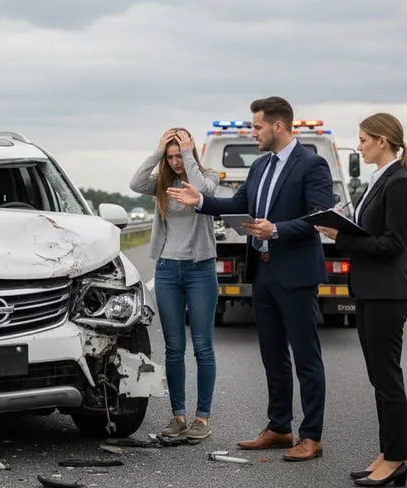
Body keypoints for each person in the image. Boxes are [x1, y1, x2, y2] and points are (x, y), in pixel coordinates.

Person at [167, 97, 334, 461]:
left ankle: (311, 436)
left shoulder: (313, 165)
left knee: (306, 357)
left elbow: (320, 217)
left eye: (257, 126)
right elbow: (235, 202)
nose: (252, 132)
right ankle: (279, 427)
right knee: (272, 354)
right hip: (263, 270)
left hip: (296, 273)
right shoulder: (259, 166)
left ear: (278, 126)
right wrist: (200, 201)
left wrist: (277, 229)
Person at [316, 113, 407, 488]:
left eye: (362, 139)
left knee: (388, 379)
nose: (358, 146)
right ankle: (386, 453)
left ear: (382, 140)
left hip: (388, 292)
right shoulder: (380, 179)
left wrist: (340, 238)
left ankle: (395, 460)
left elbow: (394, 244)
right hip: (370, 290)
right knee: (379, 378)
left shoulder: (400, 183)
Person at [130, 128, 221, 441]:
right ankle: (178, 416)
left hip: (200, 270)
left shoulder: (207, 176)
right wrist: (158, 152)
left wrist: (187, 155)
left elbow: (201, 191)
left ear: (190, 152)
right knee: (173, 348)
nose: (176, 161)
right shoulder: (161, 183)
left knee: (203, 346)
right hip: (168, 270)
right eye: (170, 157)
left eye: (179, 155)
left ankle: (202, 419)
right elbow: (134, 182)